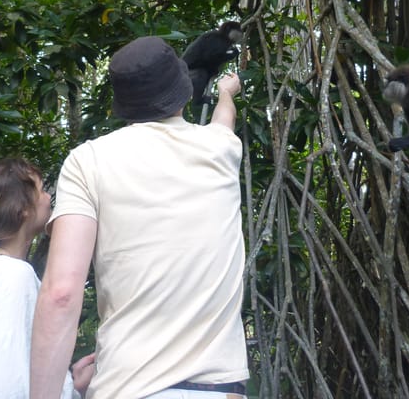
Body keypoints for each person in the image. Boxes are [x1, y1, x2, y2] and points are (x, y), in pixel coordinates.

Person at [30, 36, 248, 399]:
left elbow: (61, 294)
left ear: (124, 105)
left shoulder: (88, 162)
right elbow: (224, 122)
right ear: (183, 91)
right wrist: (227, 92)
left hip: (129, 388)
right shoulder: (222, 149)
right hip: (218, 389)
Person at [0, 157, 96, 399]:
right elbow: (6, 386)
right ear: (21, 209)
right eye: (41, 190)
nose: (49, 197)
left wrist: (71, 387)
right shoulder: (12, 275)